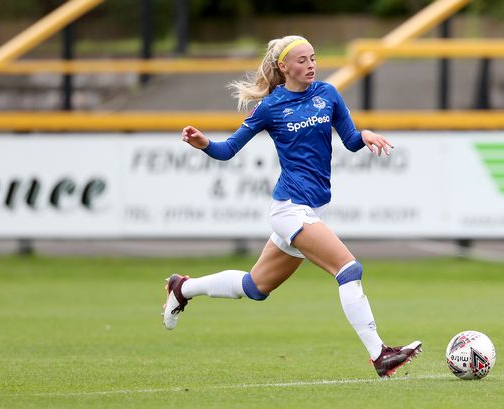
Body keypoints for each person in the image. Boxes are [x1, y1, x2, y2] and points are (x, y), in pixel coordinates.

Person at [162, 35, 422, 378]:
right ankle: (380, 354)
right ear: (283, 66)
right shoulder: (270, 107)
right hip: (289, 209)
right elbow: (228, 150)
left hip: (312, 210)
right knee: (349, 270)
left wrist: (365, 135)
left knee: (255, 288)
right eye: (302, 60)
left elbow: (349, 139)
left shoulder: (328, 94)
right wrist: (204, 143)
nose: (311, 65)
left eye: (313, 58)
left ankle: (183, 288)